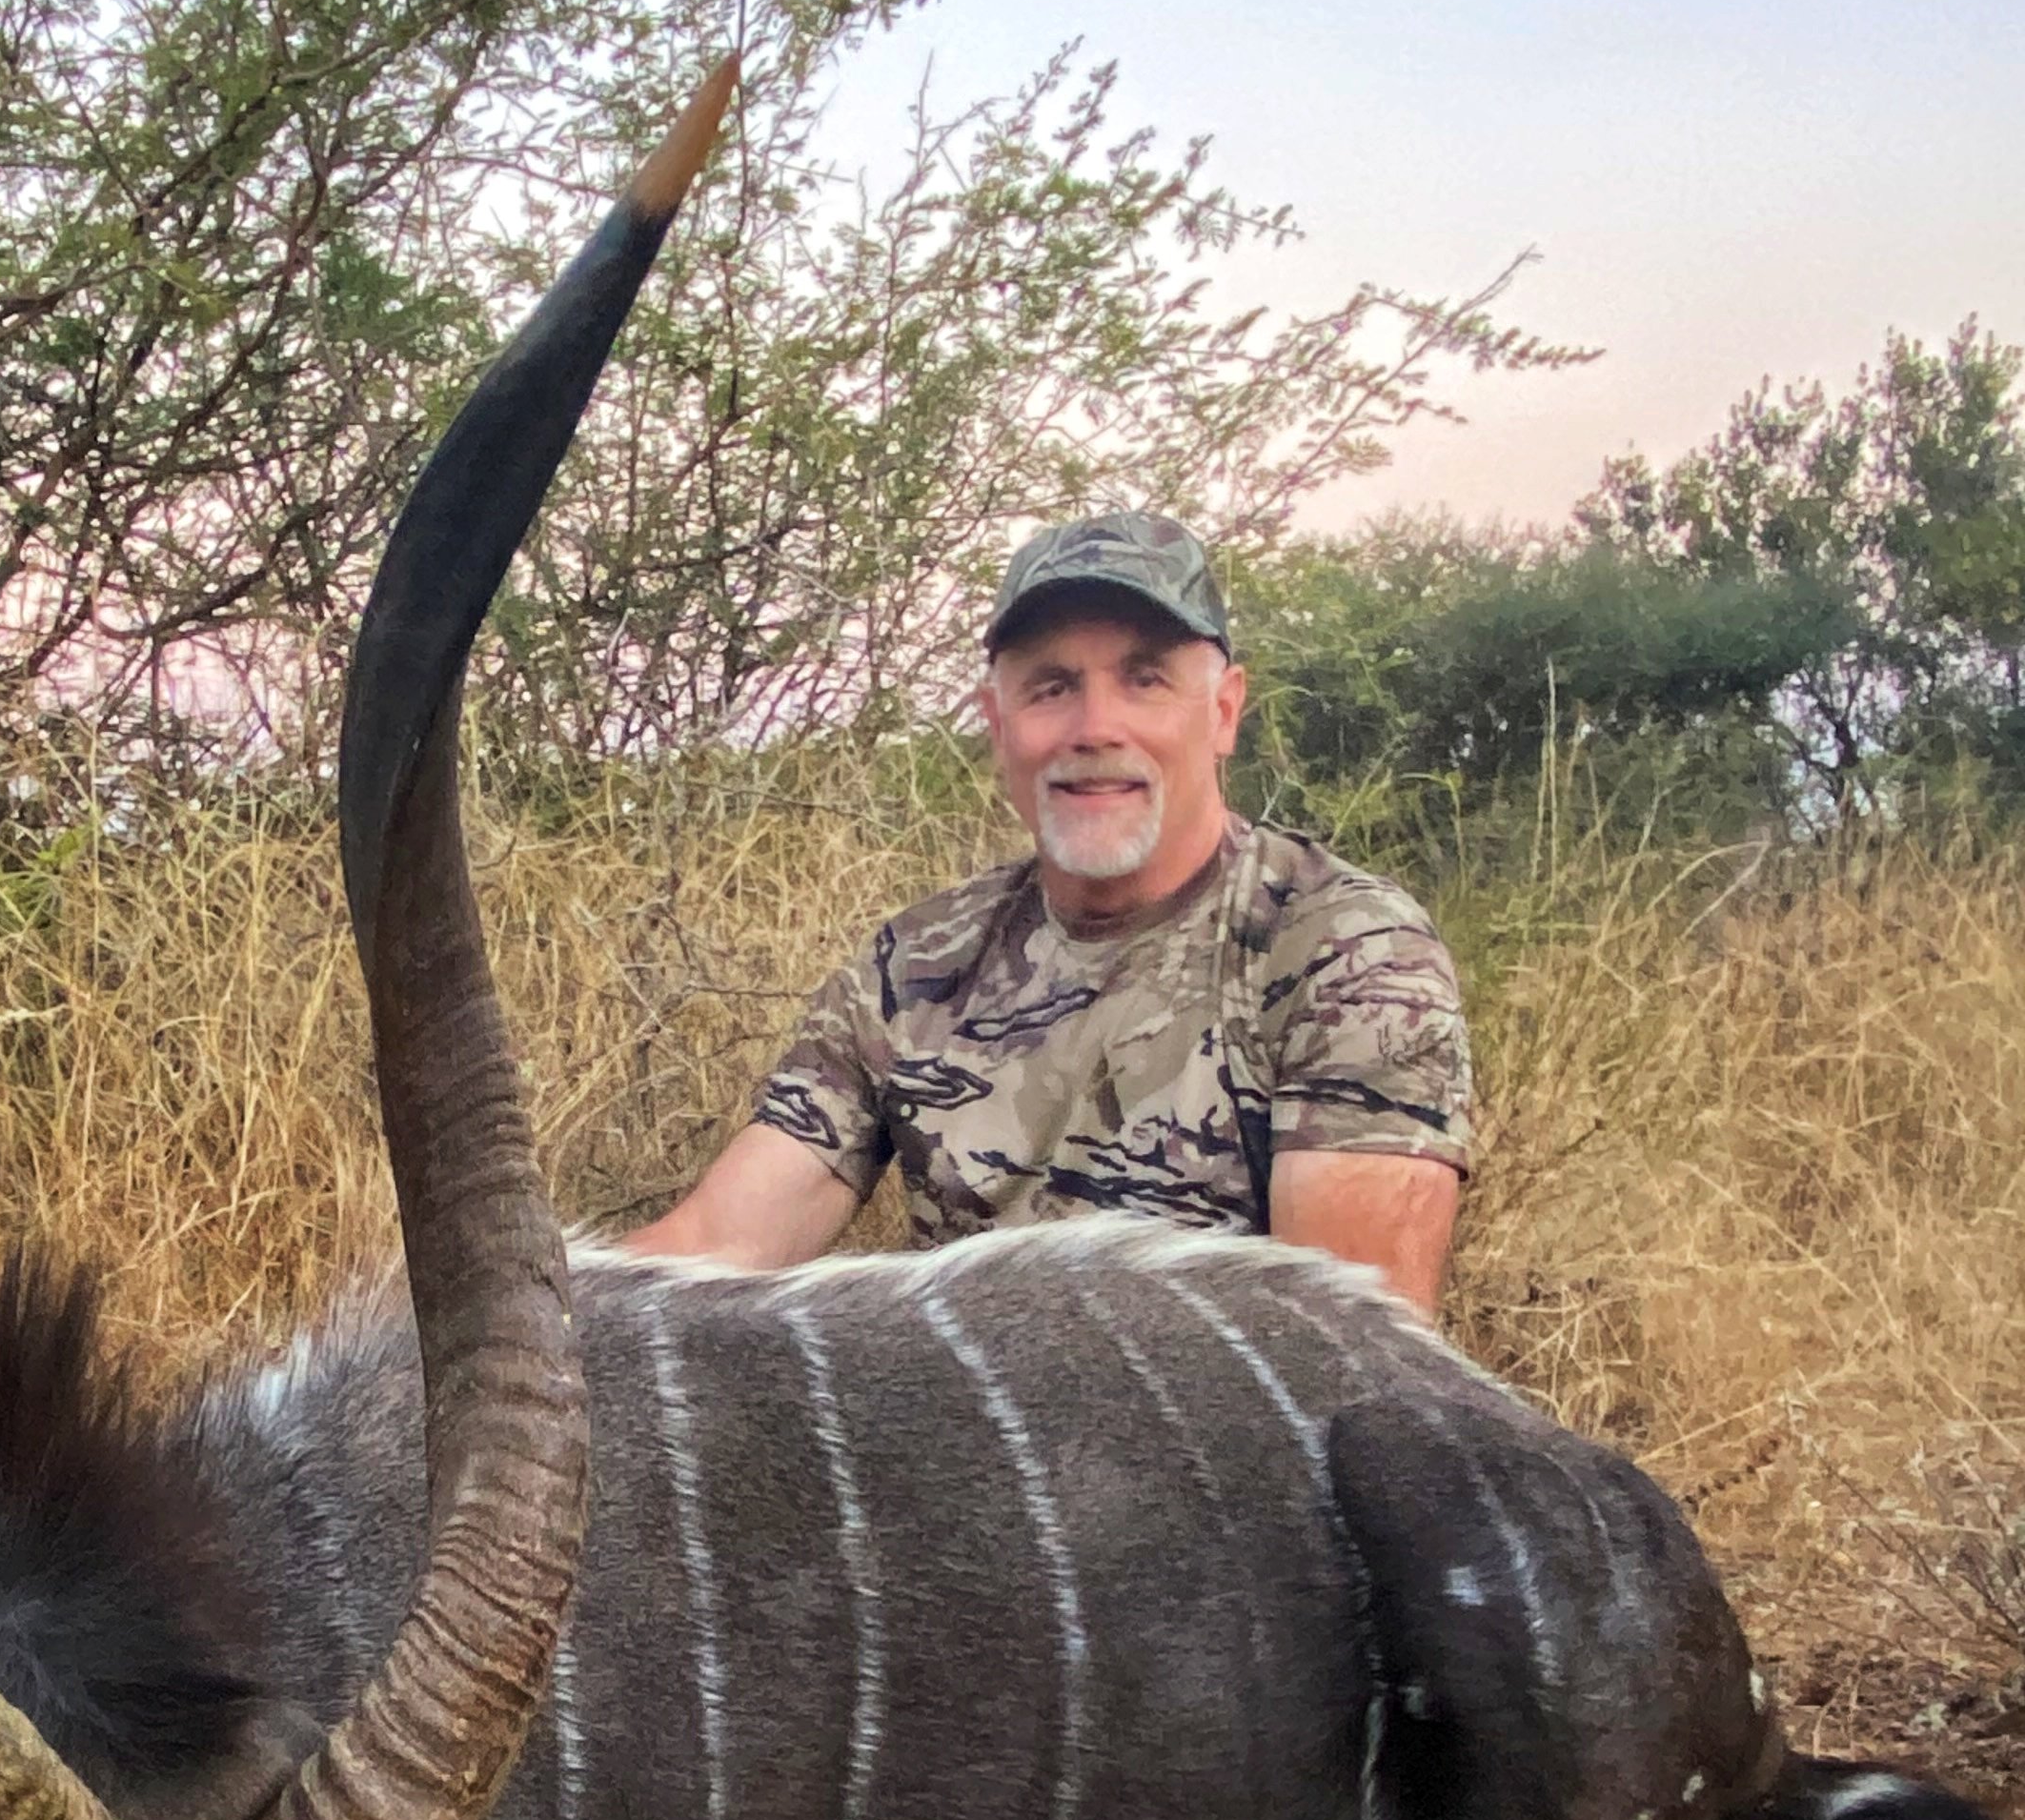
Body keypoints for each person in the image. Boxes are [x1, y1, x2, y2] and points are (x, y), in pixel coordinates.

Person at [623, 511, 1473, 1320]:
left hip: (1229, 1465)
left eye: (1145, 679)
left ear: (1222, 712)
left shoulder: (1346, 951)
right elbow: (716, 1243)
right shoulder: (916, 965)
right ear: (998, 723)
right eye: (1051, 687)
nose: (1095, 727)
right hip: (972, 1454)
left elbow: (1351, 1362)